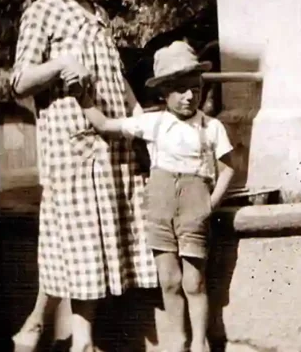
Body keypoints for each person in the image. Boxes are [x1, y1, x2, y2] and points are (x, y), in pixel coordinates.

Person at [9, 0, 157, 352]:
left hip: (113, 141)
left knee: (87, 238)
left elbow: (116, 78)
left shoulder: (99, 13)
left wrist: (140, 119)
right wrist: (59, 64)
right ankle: (80, 341)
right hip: (72, 143)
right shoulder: (41, 12)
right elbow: (18, 82)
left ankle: (46, 330)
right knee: (78, 238)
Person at [77, 40, 236, 352]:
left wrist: (210, 203)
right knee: (169, 280)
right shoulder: (153, 123)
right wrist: (82, 99)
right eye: (181, 89)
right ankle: (177, 340)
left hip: (194, 205)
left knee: (194, 281)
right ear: (163, 93)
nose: (190, 96)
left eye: (195, 88)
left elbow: (228, 168)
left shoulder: (211, 127)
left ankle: (200, 342)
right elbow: (106, 124)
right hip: (160, 207)